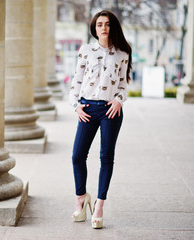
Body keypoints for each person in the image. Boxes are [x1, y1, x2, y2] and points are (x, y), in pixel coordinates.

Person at [69, 10, 132, 229]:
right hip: (87, 108)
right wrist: (76, 106)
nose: (103, 28)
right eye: (99, 25)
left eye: (106, 24)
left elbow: (124, 85)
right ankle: (81, 198)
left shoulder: (122, 54)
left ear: (112, 27)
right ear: (94, 29)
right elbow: (76, 81)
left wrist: (119, 101)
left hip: (110, 110)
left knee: (106, 157)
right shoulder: (85, 50)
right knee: (78, 156)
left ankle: (99, 206)